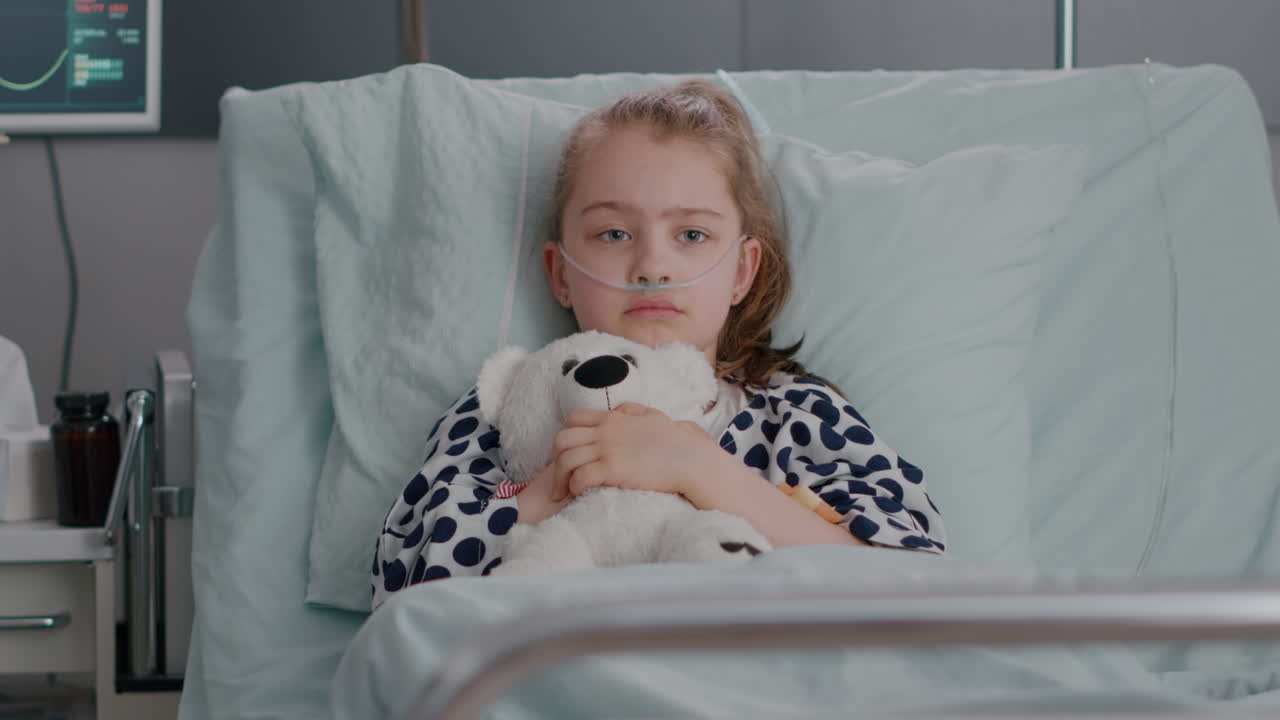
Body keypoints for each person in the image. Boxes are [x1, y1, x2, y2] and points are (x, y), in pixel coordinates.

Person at [370, 80, 945, 610]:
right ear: (560, 273)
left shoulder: (797, 418)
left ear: (742, 271)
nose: (652, 266)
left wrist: (698, 468)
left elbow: (914, 584)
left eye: (691, 234)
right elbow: (400, 585)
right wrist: (550, 490)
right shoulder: (506, 411)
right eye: (613, 233)